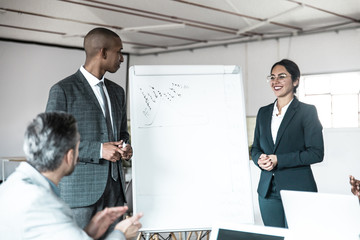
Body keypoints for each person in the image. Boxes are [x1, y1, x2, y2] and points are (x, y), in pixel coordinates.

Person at [0, 112, 142, 240]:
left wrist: (88, 233)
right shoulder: (44, 204)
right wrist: (121, 234)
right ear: (70, 156)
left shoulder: (11, 185)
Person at [45, 27, 133, 232]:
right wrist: (99, 150)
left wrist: (126, 147)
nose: (121, 58)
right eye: (118, 52)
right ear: (102, 52)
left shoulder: (118, 92)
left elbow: (122, 134)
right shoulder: (63, 90)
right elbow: (53, 142)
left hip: (115, 192)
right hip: (79, 194)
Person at [251, 59, 324, 228]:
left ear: (296, 80)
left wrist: (278, 159)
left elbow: (316, 153)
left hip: (298, 189)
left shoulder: (307, 112)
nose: (275, 81)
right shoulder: (263, 112)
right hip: (267, 191)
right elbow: (255, 148)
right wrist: (259, 159)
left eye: (282, 76)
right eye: (272, 77)